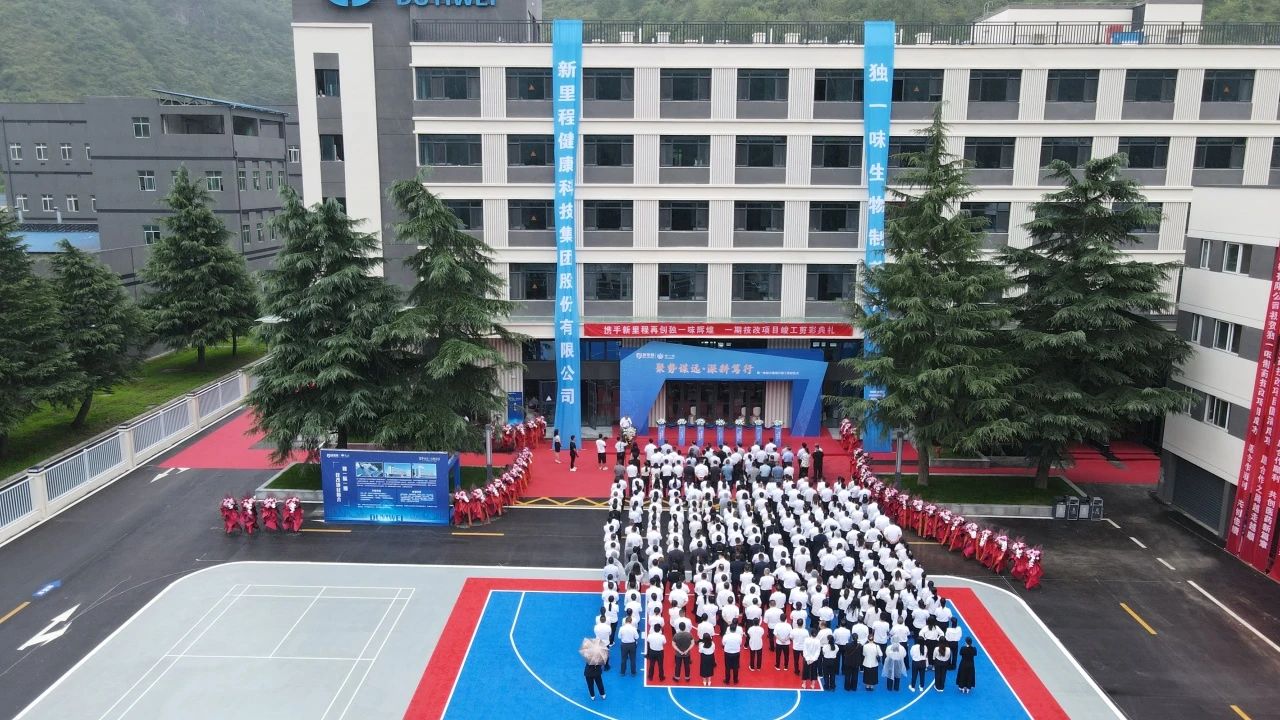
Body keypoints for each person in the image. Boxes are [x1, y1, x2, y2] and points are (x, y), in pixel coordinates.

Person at [722, 621, 743, 685]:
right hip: (736, 652)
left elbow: (723, 643)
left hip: (728, 652)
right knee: (736, 667)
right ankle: (735, 680)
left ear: (729, 629)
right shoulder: (739, 636)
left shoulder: (726, 636)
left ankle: (727, 680)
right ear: (735, 629)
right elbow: (740, 643)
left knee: (727, 667)